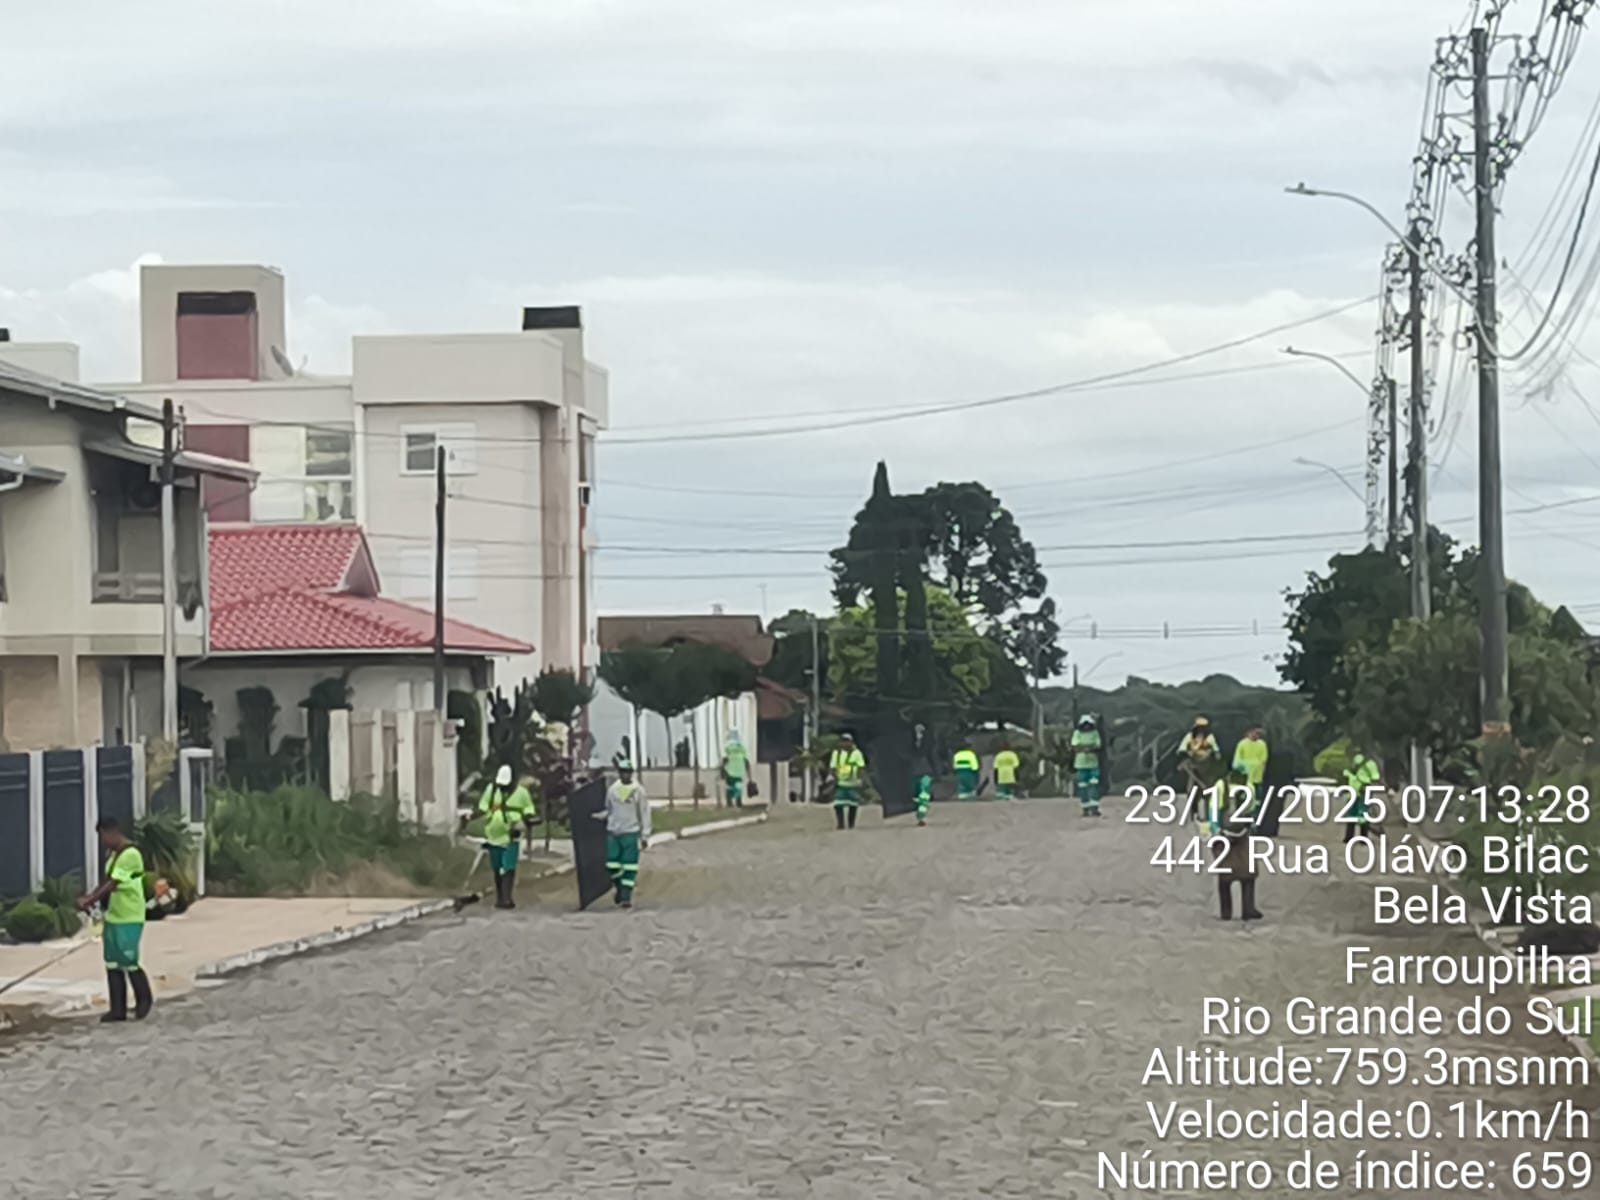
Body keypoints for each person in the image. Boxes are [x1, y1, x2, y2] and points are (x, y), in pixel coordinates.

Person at [75, 817, 153, 1022]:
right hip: (113, 915)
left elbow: (113, 883)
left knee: (128, 959)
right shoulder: (113, 856)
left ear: (111, 832)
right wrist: (91, 898)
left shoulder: (131, 854)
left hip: (129, 915)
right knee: (112, 962)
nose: (103, 842)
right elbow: (105, 881)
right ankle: (117, 1008)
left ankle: (144, 1000)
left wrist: (90, 899)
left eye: (103, 837)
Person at [1199, 767, 1264, 922]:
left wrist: (1215, 828)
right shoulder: (1234, 787)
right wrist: (1216, 829)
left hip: (1232, 832)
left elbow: (1214, 809)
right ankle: (1245, 908)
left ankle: (1229, 911)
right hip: (1231, 832)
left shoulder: (1227, 787)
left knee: (1231, 873)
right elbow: (1251, 810)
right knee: (1243, 873)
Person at [595, 760, 651, 907]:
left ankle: (626, 896)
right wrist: (597, 816)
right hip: (613, 832)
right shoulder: (613, 790)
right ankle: (619, 886)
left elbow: (644, 813)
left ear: (631, 773)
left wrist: (645, 835)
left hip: (630, 833)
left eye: (628, 772)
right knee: (611, 864)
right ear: (619, 773)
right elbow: (609, 810)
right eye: (623, 772)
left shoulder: (638, 791)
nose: (625, 774)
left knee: (629, 866)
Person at [479, 764, 535, 910]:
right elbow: (483, 805)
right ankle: (500, 897)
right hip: (493, 833)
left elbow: (529, 808)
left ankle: (507, 898)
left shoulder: (521, 793)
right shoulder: (492, 790)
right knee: (497, 866)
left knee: (508, 866)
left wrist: (525, 820)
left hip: (511, 835)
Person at [1178, 717, 1223, 819]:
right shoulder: (1189, 737)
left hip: (1206, 768)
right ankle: (1194, 812)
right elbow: (1182, 750)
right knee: (1191, 791)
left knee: (1208, 791)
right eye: (1199, 727)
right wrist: (1187, 756)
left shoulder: (1210, 738)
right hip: (1193, 767)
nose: (1201, 730)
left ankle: (1208, 814)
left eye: (1203, 728)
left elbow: (1216, 750)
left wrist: (1215, 755)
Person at [829, 733, 867, 829]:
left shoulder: (857, 753)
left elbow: (861, 767)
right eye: (843, 741)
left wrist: (860, 779)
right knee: (838, 804)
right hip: (841, 783)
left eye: (847, 741)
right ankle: (840, 824)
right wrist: (834, 778)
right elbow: (833, 767)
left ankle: (851, 824)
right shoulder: (836, 753)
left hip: (853, 783)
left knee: (853, 804)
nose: (845, 743)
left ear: (851, 742)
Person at [1343, 749, 1382, 843]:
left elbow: (1345, 773)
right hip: (1364, 791)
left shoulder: (1350, 762)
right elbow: (1375, 777)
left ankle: (1348, 837)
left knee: (1351, 814)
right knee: (1363, 814)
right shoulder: (1370, 763)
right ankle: (1363, 838)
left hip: (1352, 791)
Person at [1070, 715, 1104, 817]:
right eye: (1084, 724)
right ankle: (1085, 808)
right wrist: (1089, 748)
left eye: (1088, 724)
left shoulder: (1094, 733)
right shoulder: (1077, 733)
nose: (1086, 726)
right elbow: (1075, 746)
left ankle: (1094, 808)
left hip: (1093, 764)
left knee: (1094, 786)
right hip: (1081, 765)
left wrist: (1084, 748)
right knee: (1083, 787)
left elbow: (1098, 745)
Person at [911, 724, 934, 827]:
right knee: (916, 796)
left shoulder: (928, 742)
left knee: (924, 795)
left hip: (925, 772)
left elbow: (932, 756)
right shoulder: (907, 742)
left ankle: (921, 816)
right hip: (912, 773)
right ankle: (920, 814)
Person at [721, 730, 749, 809]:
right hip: (739, 771)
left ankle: (729, 803)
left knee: (729, 786)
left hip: (729, 770)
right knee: (738, 786)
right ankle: (738, 802)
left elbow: (724, 760)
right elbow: (746, 760)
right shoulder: (742, 747)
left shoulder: (727, 747)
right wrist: (748, 773)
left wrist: (722, 769)